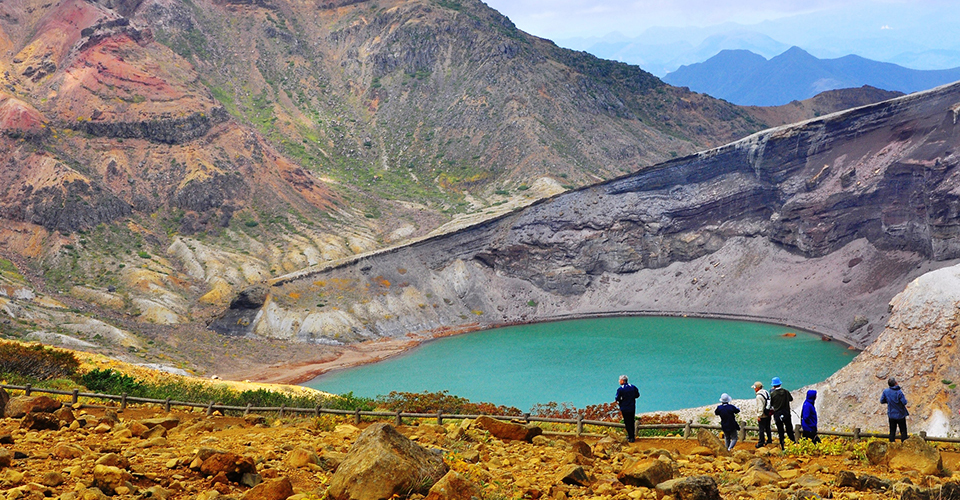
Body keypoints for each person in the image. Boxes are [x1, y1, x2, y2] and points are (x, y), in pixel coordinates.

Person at [770, 376, 795, 449]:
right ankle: (792, 443)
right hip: (786, 412)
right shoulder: (786, 391)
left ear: (773, 385)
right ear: (780, 384)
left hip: (777, 414)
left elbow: (770, 404)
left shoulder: (773, 394)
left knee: (780, 430)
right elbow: (791, 399)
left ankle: (782, 445)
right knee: (789, 428)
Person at [881, 377, 908, 442]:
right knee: (903, 431)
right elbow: (904, 402)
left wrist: (889, 401)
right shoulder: (899, 392)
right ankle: (904, 446)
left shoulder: (886, 391)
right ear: (895, 383)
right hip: (900, 414)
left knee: (892, 431)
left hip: (891, 414)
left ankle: (891, 445)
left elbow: (882, 401)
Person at [615, 375, 640, 442]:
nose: (619, 381)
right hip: (632, 407)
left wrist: (622, 400)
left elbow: (617, 398)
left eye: (619, 380)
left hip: (624, 407)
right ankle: (632, 435)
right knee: (632, 421)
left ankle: (631, 437)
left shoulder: (620, 389)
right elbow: (637, 395)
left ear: (622, 381)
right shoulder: (633, 387)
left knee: (627, 422)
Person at [753, 381, 773, 448]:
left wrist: (759, 416)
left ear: (757, 388)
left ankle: (761, 442)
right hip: (768, 413)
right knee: (768, 428)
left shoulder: (759, 396)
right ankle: (769, 440)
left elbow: (760, 406)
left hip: (763, 415)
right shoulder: (766, 392)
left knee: (761, 429)